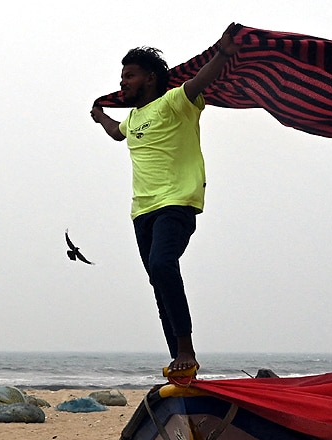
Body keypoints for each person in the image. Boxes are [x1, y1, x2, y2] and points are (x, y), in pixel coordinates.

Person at [91, 27, 238, 376]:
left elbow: (199, 82)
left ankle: (186, 349)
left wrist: (222, 52)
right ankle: (180, 362)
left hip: (177, 202)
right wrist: (99, 115)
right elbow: (117, 132)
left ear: (151, 78)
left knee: (162, 265)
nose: (123, 82)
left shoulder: (175, 103)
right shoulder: (133, 118)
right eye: (121, 76)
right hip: (142, 211)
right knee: (159, 284)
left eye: (130, 75)